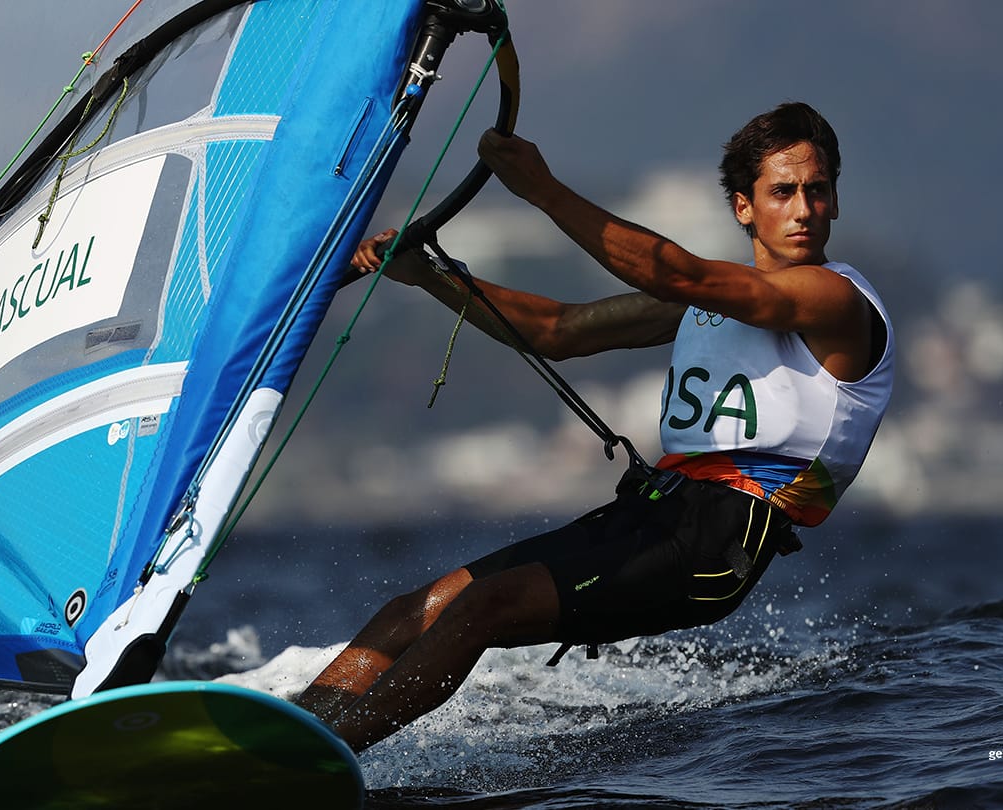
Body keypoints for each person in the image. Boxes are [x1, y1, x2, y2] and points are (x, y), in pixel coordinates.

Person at [295, 102, 894, 753]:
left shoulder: (834, 299)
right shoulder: (708, 304)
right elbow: (556, 331)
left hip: (723, 540)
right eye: (783, 191)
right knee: (414, 610)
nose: (804, 208)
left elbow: (679, 272)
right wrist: (432, 277)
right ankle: (289, 732)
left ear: (834, 201)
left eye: (818, 190)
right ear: (745, 207)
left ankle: (314, 761)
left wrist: (543, 192)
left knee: (484, 609)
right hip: (656, 511)